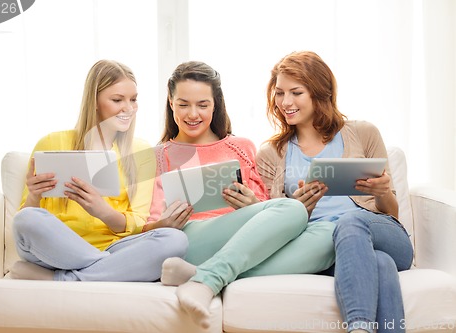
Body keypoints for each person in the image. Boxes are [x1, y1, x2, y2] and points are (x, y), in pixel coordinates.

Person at [144, 60, 336, 329]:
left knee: (328, 236)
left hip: (244, 240)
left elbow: (269, 215)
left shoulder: (241, 147)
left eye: (203, 104)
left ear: (216, 104)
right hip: (193, 237)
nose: (192, 114)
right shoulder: (157, 155)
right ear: (170, 102)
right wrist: (164, 223)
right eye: (183, 104)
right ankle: (208, 274)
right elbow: (146, 226)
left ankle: (203, 275)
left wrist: (252, 204)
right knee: (293, 209)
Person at [256, 51, 413, 333]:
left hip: (382, 232)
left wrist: (383, 191)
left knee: (351, 222)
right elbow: (274, 227)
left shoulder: (363, 133)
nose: (285, 102)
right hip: (326, 250)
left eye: (296, 92)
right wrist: (299, 208)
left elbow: (391, 212)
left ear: (320, 92)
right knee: (380, 264)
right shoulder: (271, 153)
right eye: (279, 93)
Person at [10, 60, 188, 282]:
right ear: (94, 100)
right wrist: (35, 194)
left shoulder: (141, 151)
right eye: (117, 100)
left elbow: (139, 223)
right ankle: (106, 269)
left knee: (174, 240)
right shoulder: (51, 142)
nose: (129, 108)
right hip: (55, 248)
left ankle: (64, 278)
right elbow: (25, 217)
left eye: (133, 99)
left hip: (114, 247)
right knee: (26, 219)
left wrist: (101, 210)